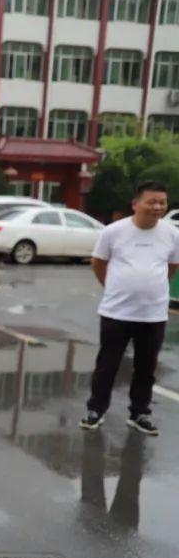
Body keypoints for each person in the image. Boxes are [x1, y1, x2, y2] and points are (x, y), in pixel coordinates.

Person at [80, 181, 179, 436]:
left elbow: (171, 267)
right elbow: (98, 263)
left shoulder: (171, 233)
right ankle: (95, 410)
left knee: (146, 369)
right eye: (152, 201)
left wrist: (151, 287)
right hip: (117, 312)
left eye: (162, 202)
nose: (157, 207)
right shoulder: (113, 232)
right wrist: (113, 287)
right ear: (135, 204)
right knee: (107, 366)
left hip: (154, 314)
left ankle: (140, 413)